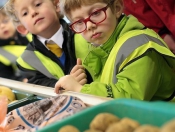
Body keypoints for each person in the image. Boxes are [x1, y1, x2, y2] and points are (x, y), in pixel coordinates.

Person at [55, 0, 175, 101]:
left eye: (96, 13)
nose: (90, 25)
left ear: (117, 9)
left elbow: (128, 98)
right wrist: (79, 82)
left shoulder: (140, 46)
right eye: (79, 22)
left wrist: (80, 90)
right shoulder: (104, 48)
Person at [4, 0, 92, 87]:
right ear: (22, 28)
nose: (33, 12)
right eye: (25, 13)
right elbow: (42, 89)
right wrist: (65, 85)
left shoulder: (84, 30)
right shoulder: (26, 61)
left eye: (38, 4)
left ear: (57, 5)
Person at [0, 8, 31, 81]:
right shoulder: (1, 54)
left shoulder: (30, 31)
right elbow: (7, 78)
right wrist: (22, 80)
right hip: (28, 83)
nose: (2, 26)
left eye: (5, 21)